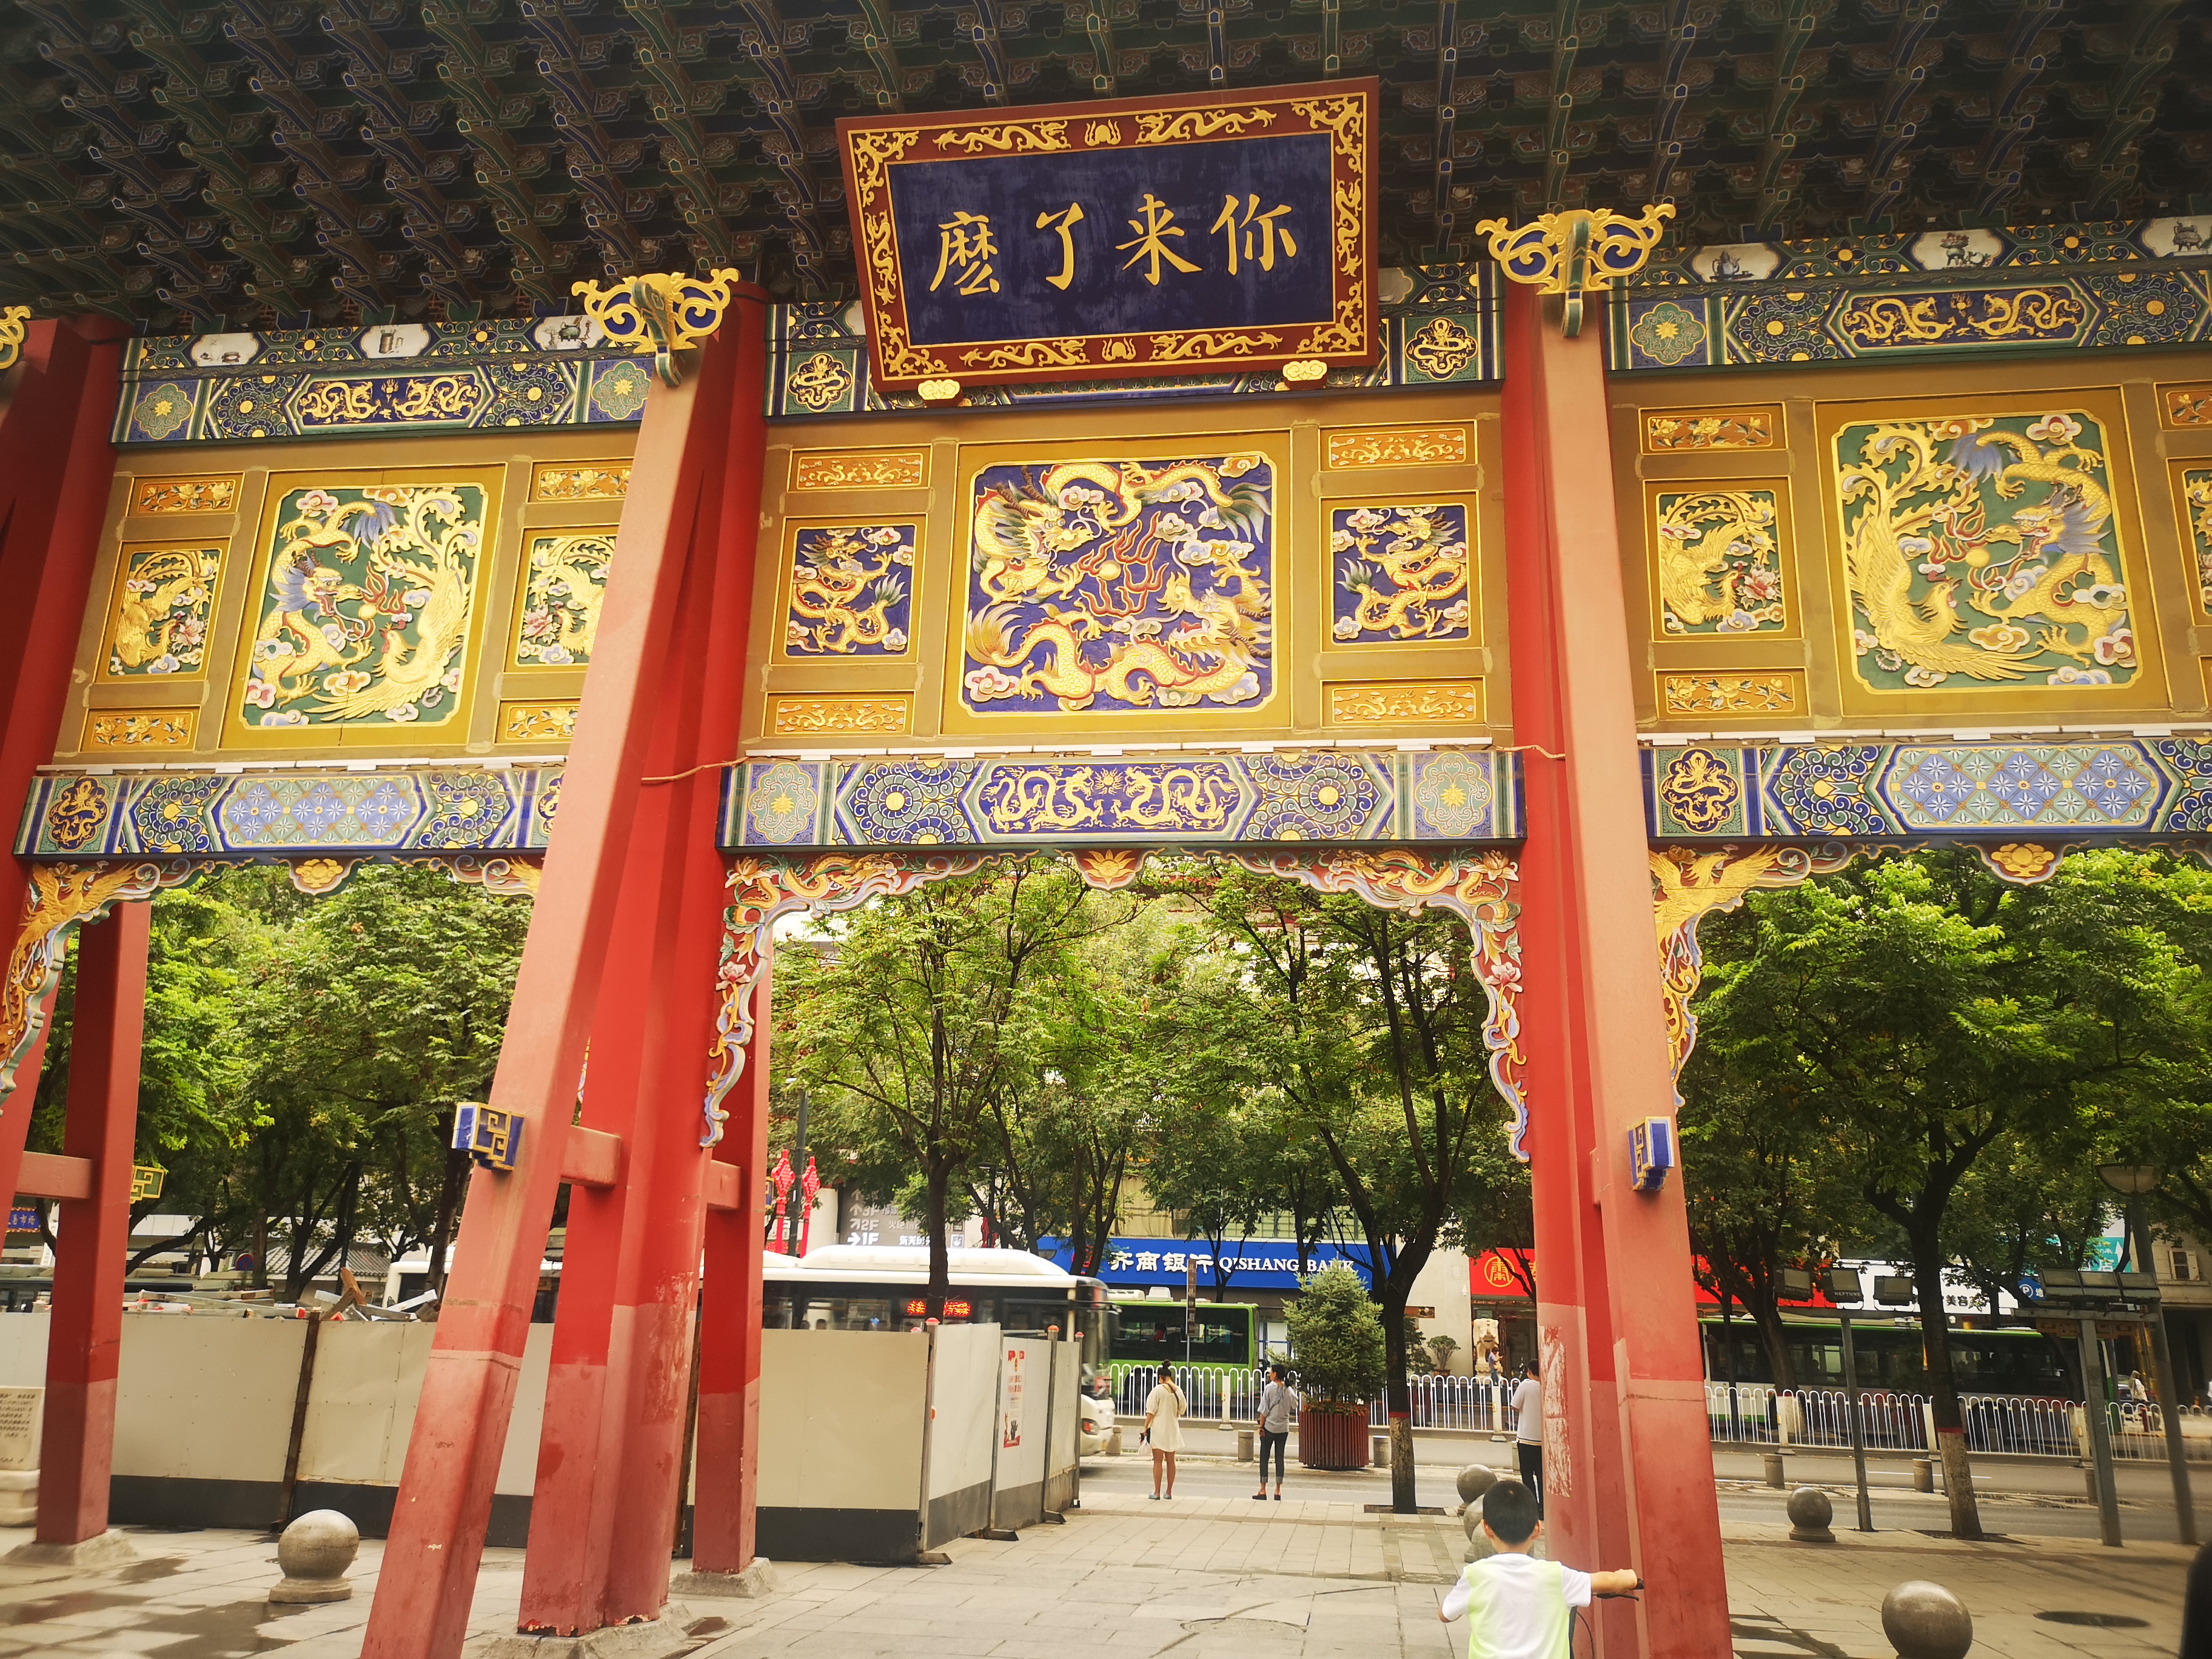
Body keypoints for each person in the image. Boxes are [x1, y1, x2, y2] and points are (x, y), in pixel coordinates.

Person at [1438, 1480, 1640, 1659]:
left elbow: (1445, 1614)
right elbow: (1609, 1581)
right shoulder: (1557, 1576)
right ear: (1537, 1529)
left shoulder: (1475, 1576)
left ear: (1486, 1528)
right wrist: (1629, 1578)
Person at [1253, 1361, 1297, 1501]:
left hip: (1269, 1427)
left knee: (1264, 1458)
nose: (1269, 1374)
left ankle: (1263, 1490)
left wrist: (1261, 1427)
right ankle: (1278, 1491)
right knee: (1280, 1458)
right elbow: (1295, 1405)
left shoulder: (1269, 1388)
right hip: (1283, 1428)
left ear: (1276, 1374)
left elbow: (1264, 1410)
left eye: (1271, 1372)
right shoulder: (1289, 1390)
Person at [1144, 1361, 1187, 1500]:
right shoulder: (1178, 1391)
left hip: (1159, 1429)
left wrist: (1145, 1428)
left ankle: (1157, 1492)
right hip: (1172, 1429)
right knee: (1171, 1461)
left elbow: (1151, 1412)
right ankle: (1169, 1492)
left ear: (1160, 1377)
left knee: (1158, 1461)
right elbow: (1182, 1410)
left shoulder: (1158, 1390)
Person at [1510, 1361, 1543, 1514]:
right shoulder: (1546, 1386)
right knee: (1542, 1476)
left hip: (1526, 1438)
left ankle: (1532, 1505)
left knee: (1527, 1475)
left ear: (1530, 1371)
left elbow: (1514, 1405)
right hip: (1542, 1440)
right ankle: (1543, 1507)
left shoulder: (1525, 1386)